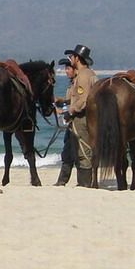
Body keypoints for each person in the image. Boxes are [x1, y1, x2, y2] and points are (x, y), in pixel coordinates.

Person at [63, 44, 98, 187]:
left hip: (81, 118)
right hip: (86, 117)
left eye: (71, 57)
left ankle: (84, 184)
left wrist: (71, 110)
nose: (70, 59)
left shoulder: (83, 76)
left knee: (83, 151)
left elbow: (83, 99)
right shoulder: (90, 74)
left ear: (77, 58)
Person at [53, 57, 77, 186]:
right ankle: (61, 182)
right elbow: (70, 102)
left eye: (68, 68)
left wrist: (62, 112)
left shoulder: (77, 84)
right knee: (67, 152)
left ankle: (62, 182)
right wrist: (60, 102)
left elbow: (77, 103)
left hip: (75, 124)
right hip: (71, 124)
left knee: (69, 153)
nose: (66, 71)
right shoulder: (72, 83)